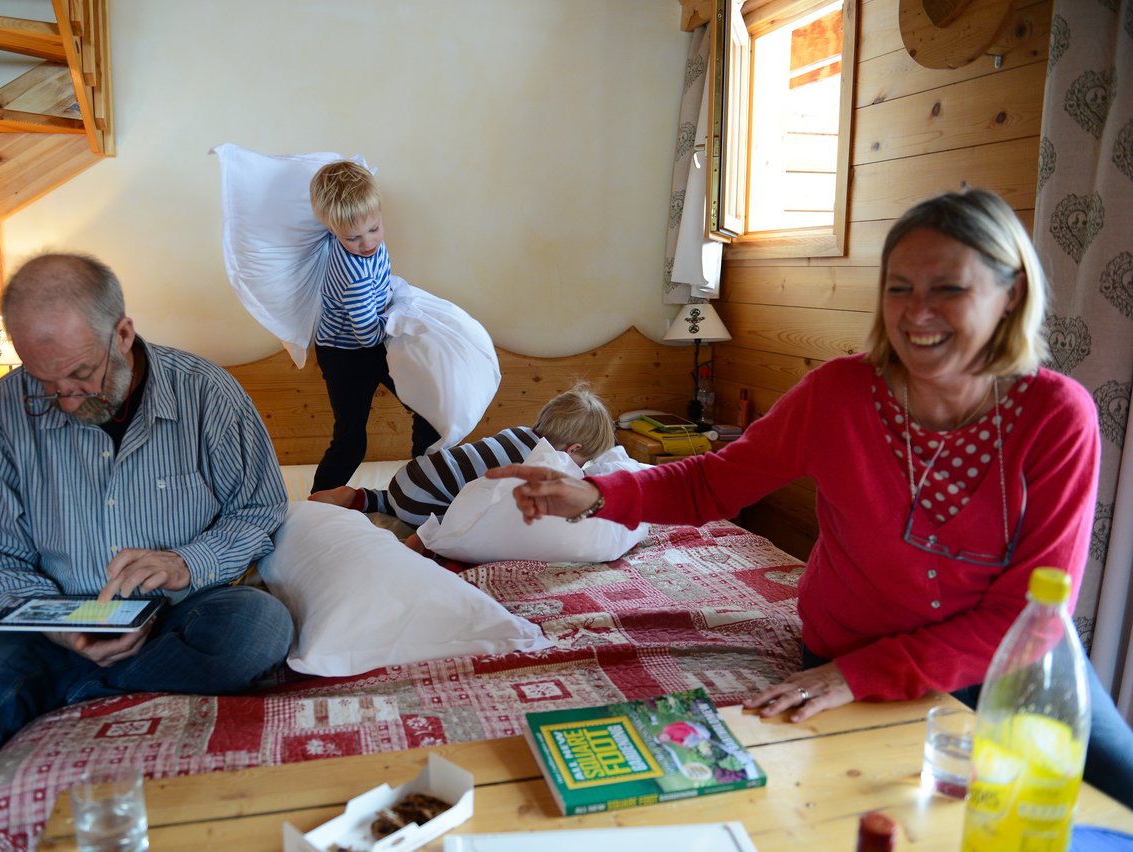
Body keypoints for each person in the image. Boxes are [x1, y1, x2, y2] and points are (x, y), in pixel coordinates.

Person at [488, 188, 1133, 807]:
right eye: (899, 289)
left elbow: (1031, 610)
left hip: (1004, 663)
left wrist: (857, 676)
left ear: (1009, 295)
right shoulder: (840, 394)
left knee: (1118, 793)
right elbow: (711, 480)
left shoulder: (1056, 416)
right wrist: (596, 492)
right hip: (849, 648)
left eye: (949, 289)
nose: (916, 312)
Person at [0, 253, 295, 851]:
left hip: (180, 616)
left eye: (81, 375)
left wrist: (185, 560)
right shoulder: (1, 415)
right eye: (44, 381)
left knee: (261, 624)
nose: (63, 400)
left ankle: (81, 692)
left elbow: (260, 509)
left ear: (124, 333)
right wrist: (54, 623)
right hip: (46, 627)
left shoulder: (207, 395)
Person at [309, 384, 615, 547]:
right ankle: (424, 541)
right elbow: (499, 508)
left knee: (407, 497)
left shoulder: (518, 433)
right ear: (572, 449)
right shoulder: (539, 462)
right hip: (426, 500)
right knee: (467, 517)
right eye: (582, 461)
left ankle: (360, 497)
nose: (581, 468)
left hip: (409, 477)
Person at [308, 160, 440, 492]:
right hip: (346, 355)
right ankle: (318, 504)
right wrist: (398, 320)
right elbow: (366, 333)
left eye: (374, 229)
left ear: (379, 215)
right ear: (332, 230)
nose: (367, 242)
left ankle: (422, 485)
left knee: (430, 410)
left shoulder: (367, 244)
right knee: (351, 442)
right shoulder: (353, 274)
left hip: (371, 343)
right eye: (353, 237)